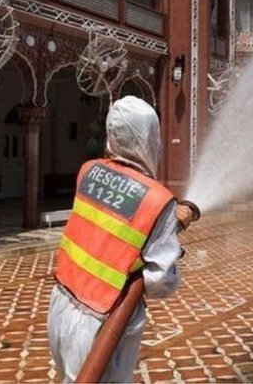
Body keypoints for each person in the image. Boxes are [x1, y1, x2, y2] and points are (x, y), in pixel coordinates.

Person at [48, 96, 196, 383]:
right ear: (148, 138)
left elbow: (111, 230)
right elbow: (159, 282)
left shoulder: (88, 171)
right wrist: (170, 243)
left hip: (61, 304)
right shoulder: (158, 200)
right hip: (104, 321)